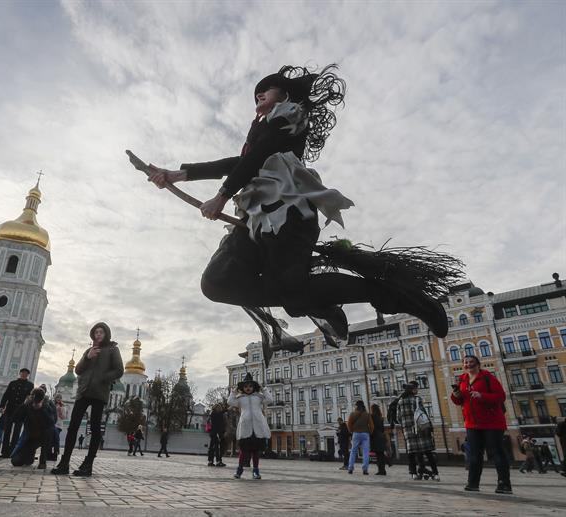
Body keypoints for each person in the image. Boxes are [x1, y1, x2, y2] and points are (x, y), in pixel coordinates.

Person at [147, 65, 458, 367]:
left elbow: (258, 158)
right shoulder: (261, 128)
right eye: (255, 97)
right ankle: (311, 298)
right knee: (216, 283)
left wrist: (222, 196)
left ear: (284, 93)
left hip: (289, 214)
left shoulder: (290, 116)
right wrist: (177, 174)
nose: (258, 99)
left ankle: (399, 298)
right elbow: (238, 161)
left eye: (263, 92)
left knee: (292, 296)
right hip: (257, 218)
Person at [50, 322, 124, 477]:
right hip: (83, 392)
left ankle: (88, 464)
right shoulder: (89, 350)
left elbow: (119, 370)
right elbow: (78, 370)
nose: (98, 335)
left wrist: (103, 378)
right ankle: (64, 462)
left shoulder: (112, 350)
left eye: (101, 332)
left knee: (95, 428)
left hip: (99, 393)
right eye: (96, 332)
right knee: (73, 427)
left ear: (106, 334)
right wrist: (87, 357)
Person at [452, 354, 512, 493]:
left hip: (492, 422)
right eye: (465, 362)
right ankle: (473, 483)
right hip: (472, 423)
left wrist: (482, 395)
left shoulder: (487, 377)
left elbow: (501, 396)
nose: (468, 364)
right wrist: (456, 395)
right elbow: (460, 401)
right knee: (474, 454)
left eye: (471, 362)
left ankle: (504, 484)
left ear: (478, 364)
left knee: (497, 452)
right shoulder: (463, 379)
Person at [228, 373, 272, 480]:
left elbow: (270, 400)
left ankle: (256, 471)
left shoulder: (259, 397)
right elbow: (230, 401)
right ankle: (239, 470)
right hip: (245, 426)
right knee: (243, 451)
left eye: (250, 386)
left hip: (258, 426)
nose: (248, 388)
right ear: (242, 388)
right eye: (246, 386)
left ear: (254, 387)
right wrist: (234, 391)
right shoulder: (240, 399)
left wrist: (263, 389)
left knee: (255, 451)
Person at [397, 381, 439, 481]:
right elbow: (423, 414)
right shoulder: (417, 399)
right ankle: (436, 473)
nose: (417, 390)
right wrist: (429, 426)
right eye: (415, 389)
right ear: (412, 390)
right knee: (428, 452)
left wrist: (405, 424)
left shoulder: (400, 402)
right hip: (420, 429)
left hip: (408, 431)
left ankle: (414, 474)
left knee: (411, 453)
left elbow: (398, 418)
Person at [10, 388, 55, 468]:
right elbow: (15, 418)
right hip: (30, 437)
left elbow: (52, 422)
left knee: (46, 437)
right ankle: (30, 456)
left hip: (44, 436)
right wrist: (24, 405)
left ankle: (42, 461)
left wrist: (42, 410)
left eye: (37, 401)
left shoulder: (47, 406)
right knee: (16, 461)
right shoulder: (27, 406)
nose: (35, 404)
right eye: (34, 401)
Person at [0, 368, 34, 458]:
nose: (24, 374)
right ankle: (4, 452)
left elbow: (30, 398)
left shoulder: (30, 385)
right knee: (7, 431)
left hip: (21, 411)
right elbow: (6, 395)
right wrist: (2, 405)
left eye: (26, 373)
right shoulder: (12, 383)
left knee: (16, 432)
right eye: (22, 373)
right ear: (20, 373)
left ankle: (13, 451)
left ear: (28, 375)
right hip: (10, 409)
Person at [346, 400, 373, 475]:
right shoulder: (367, 414)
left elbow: (349, 424)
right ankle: (365, 470)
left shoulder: (352, 414)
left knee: (353, 451)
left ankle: (350, 468)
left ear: (356, 406)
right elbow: (371, 426)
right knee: (366, 452)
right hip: (365, 434)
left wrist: (352, 431)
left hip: (356, 433)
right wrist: (369, 432)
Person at [370, 404, 387, 476]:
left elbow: (371, 427)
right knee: (381, 454)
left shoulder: (372, 416)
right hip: (381, 436)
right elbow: (383, 429)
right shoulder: (380, 417)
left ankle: (381, 470)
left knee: (378, 455)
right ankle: (383, 470)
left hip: (375, 437)